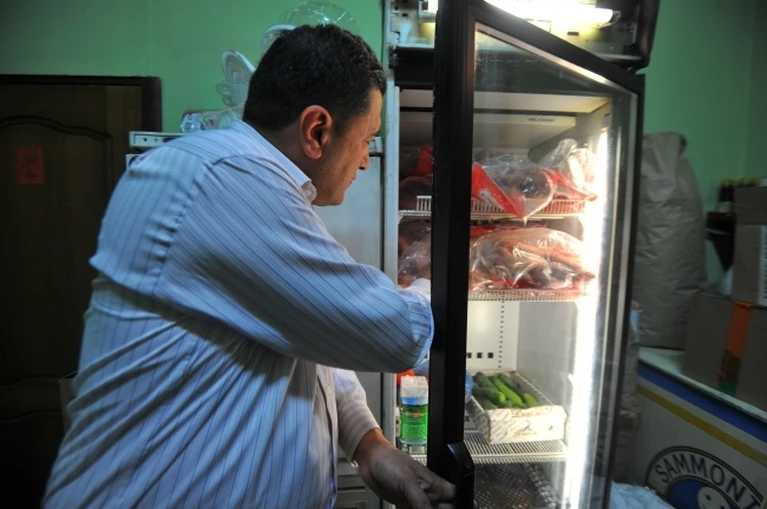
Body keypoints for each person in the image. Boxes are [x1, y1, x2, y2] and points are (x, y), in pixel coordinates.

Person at [43, 24, 454, 509]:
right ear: (317, 130)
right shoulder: (223, 178)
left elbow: (309, 339)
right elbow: (396, 334)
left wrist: (369, 445)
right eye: (366, 139)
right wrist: (451, 269)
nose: (366, 161)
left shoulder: (252, 185)